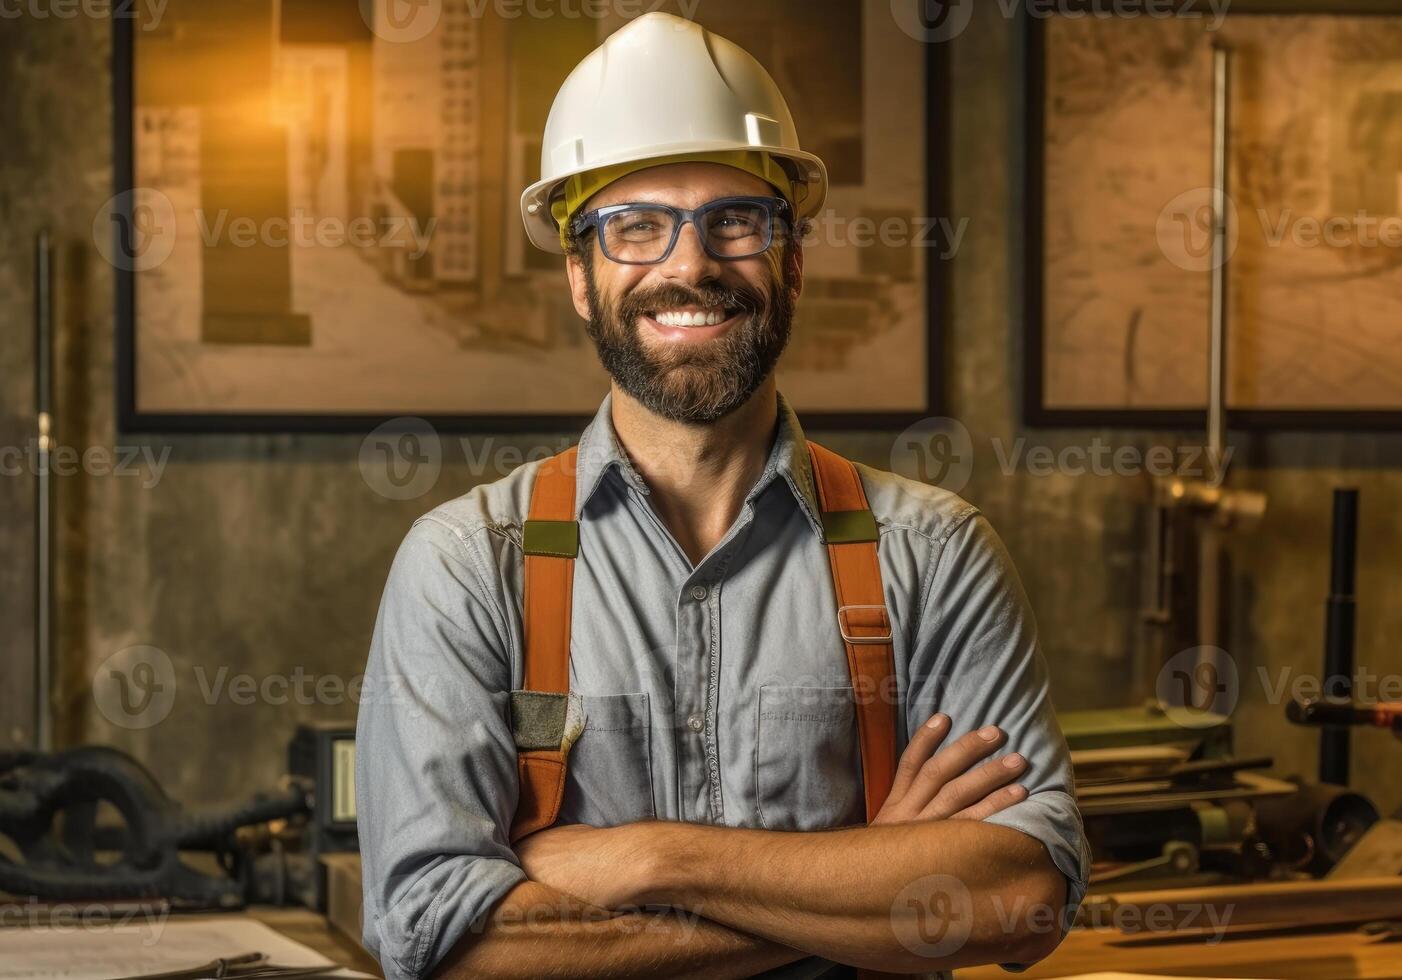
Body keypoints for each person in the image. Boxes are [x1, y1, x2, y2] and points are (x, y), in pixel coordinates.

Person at [357, 12, 1088, 979]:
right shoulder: (464, 566)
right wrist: (865, 883)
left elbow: (1020, 897)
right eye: (636, 226)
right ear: (580, 275)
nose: (689, 265)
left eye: (735, 221)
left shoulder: (935, 552)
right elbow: (440, 936)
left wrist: (654, 859)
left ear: (791, 260)